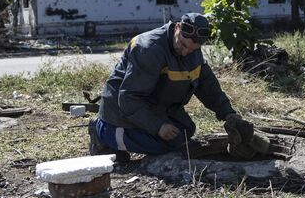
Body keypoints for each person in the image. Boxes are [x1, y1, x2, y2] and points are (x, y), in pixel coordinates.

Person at [88, 13, 241, 161]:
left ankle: (120, 138)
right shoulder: (149, 48)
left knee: (185, 131)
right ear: (178, 28)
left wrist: (228, 113)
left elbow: (207, 86)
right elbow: (129, 98)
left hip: (155, 104)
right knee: (164, 145)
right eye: (183, 45)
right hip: (121, 109)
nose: (186, 52)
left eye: (193, 49)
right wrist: (158, 126)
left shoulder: (192, 49)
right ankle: (102, 133)